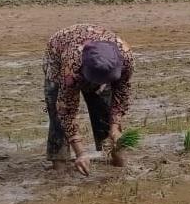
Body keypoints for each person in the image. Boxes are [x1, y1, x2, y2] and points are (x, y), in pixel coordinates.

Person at [43, 24, 134, 176]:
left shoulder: (126, 56)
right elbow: (66, 110)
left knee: (103, 106)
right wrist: (81, 152)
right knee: (57, 112)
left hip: (99, 54)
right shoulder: (71, 66)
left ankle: (115, 154)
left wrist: (115, 127)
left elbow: (122, 93)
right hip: (58, 54)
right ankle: (59, 163)